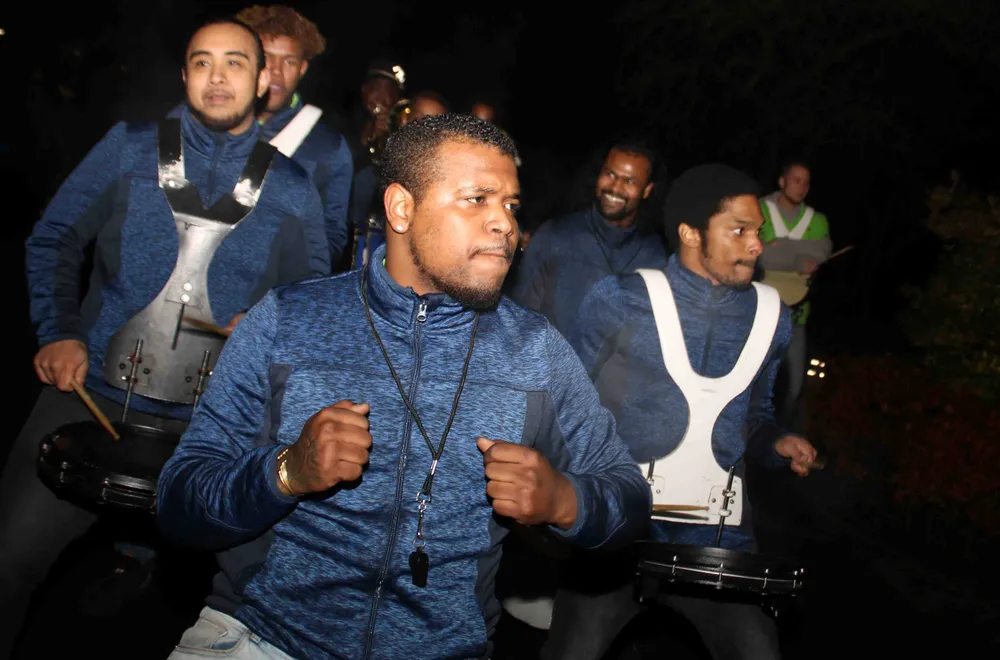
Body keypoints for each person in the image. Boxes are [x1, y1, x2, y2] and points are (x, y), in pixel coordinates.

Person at [156, 113, 651, 660]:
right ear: (400, 208)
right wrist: (285, 471)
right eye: (477, 199)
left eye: (511, 205)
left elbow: (629, 500)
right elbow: (178, 502)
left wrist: (564, 501)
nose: (505, 225)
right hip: (260, 638)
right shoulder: (287, 321)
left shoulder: (535, 351)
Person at [0, 17, 324, 657]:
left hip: (211, 426)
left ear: (263, 79)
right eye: (202, 62)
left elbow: (309, 299)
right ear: (184, 74)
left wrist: (268, 328)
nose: (217, 77)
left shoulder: (292, 189)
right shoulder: (128, 148)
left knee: (242, 610)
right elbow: (54, 238)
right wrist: (59, 331)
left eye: (234, 62)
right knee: (8, 564)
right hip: (89, 394)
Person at [541, 164, 820, 660]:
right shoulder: (620, 299)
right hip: (622, 527)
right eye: (739, 231)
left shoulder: (771, 317)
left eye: (758, 232)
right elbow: (571, 406)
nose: (756, 246)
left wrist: (778, 444)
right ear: (692, 234)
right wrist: (568, 497)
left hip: (717, 539)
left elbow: (754, 420)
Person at [236, 4, 354, 268]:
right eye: (266, 57)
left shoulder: (328, 146)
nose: (276, 71)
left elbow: (332, 240)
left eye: (288, 61)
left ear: (302, 69)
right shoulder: (210, 123)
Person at [512, 139, 667, 338]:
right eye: (610, 174)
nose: (615, 187)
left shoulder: (653, 256)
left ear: (646, 190)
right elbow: (520, 318)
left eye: (629, 181)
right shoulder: (556, 235)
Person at [757, 159, 833, 429]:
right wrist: (800, 256)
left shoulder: (817, 220)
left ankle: (779, 438)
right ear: (782, 181)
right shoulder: (759, 209)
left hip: (797, 314)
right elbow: (760, 254)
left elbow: (823, 252)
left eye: (806, 182)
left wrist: (779, 248)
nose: (802, 187)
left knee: (794, 387)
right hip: (761, 313)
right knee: (755, 383)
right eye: (796, 180)